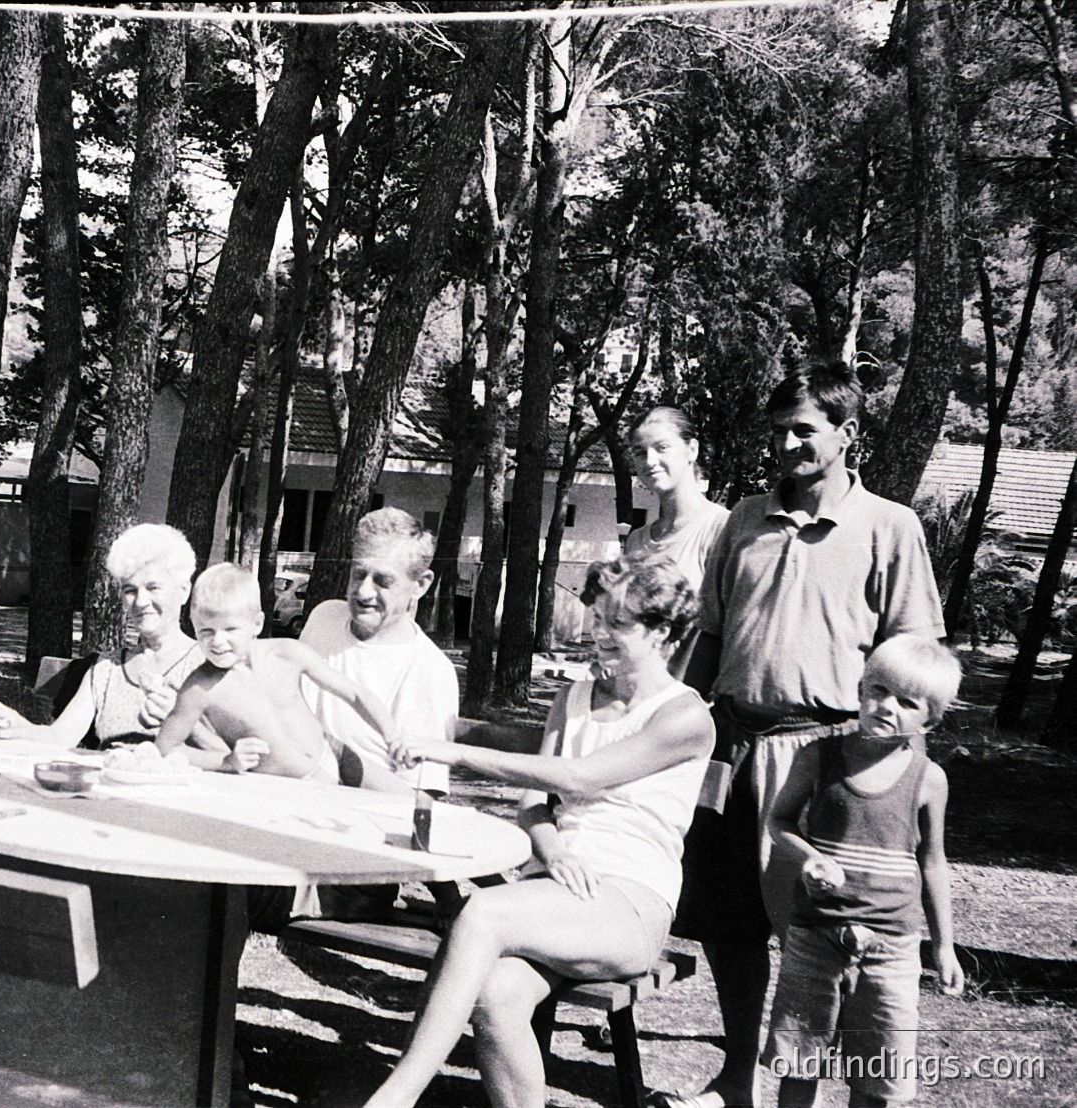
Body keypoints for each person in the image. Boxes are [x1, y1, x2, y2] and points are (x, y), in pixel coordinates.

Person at [666, 363, 947, 1108]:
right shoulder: (743, 520)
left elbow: (916, 663)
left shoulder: (890, 527)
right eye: (780, 429)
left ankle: (829, 1089)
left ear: (848, 435)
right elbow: (710, 638)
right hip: (731, 748)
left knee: (825, 939)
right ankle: (735, 1081)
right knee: (730, 927)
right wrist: (672, 725)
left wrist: (888, 769)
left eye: (806, 430)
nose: (788, 443)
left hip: (827, 754)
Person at [363, 555, 714, 1108]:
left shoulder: (685, 717)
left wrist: (454, 752)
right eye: (597, 617)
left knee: (480, 912)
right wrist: (552, 849)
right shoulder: (573, 696)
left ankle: (395, 1099)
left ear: (662, 633)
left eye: (617, 625)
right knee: (498, 993)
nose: (599, 634)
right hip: (555, 891)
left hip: (630, 902)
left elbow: (578, 777)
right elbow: (533, 805)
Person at [762, 635, 963, 1108]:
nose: (886, 706)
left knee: (878, 1070)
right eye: (878, 690)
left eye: (907, 702)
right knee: (798, 1058)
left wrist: (945, 945)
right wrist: (808, 857)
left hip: (892, 946)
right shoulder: (817, 757)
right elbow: (779, 820)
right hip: (815, 936)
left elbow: (932, 860)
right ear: (860, 687)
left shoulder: (928, 778)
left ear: (929, 719)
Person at [154, 563, 403, 781]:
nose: (218, 641)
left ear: (257, 624)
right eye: (205, 631)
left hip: (334, 754)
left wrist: (391, 737)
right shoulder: (199, 687)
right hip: (289, 785)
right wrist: (225, 762)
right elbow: (165, 748)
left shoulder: (286, 653)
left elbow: (355, 694)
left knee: (403, 802)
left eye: (230, 629)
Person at [0, 523, 207, 749]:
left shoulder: (207, 666)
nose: (141, 601)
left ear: (183, 591)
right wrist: (10, 722)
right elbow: (60, 737)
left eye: (153, 588)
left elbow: (232, 756)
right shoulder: (107, 668)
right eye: (130, 590)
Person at [300, 507, 458, 796]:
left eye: (383, 581)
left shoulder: (430, 671)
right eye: (358, 574)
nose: (363, 592)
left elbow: (421, 797)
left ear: (420, 585)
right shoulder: (324, 618)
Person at [624, 407, 730, 676]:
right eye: (639, 452)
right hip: (640, 693)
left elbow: (729, 629)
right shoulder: (637, 541)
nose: (649, 461)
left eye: (662, 448)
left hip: (695, 697)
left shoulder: (721, 528)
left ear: (691, 450)